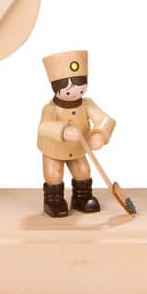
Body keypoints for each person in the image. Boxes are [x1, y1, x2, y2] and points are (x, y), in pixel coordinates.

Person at [36, 50, 115, 218]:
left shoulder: (87, 104)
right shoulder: (50, 108)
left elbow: (105, 119)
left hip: (78, 148)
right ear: (56, 88)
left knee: (83, 171)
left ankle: (82, 198)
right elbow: (44, 126)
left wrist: (99, 134)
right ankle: (54, 201)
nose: (75, 93)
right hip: (54, 149)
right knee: (54, 174)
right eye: (68, 90)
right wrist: (63, 130)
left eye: (80, 89)